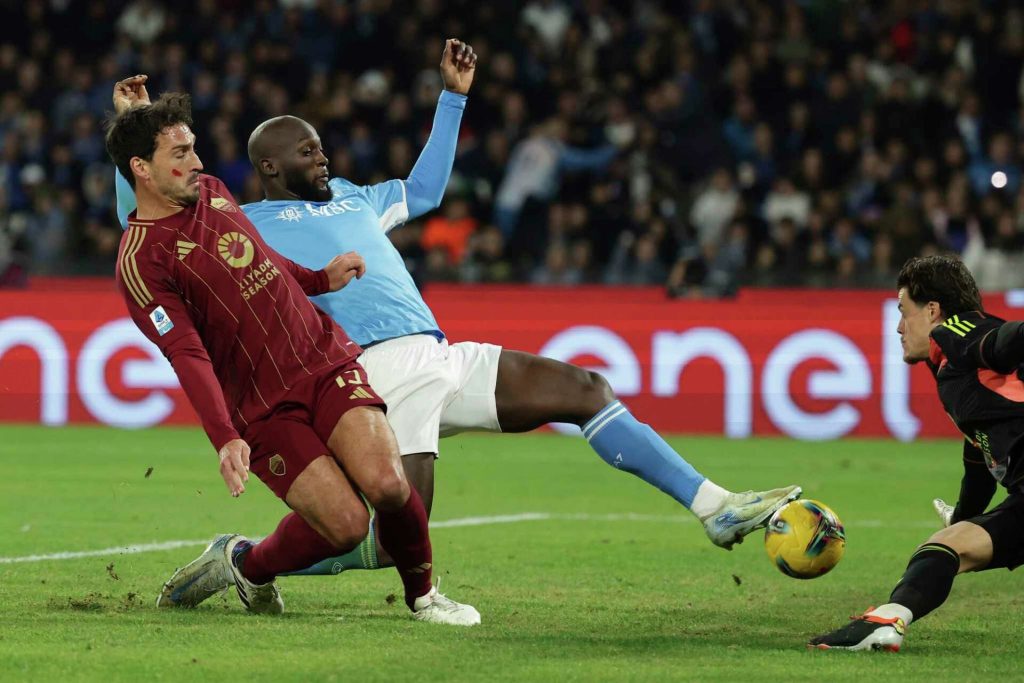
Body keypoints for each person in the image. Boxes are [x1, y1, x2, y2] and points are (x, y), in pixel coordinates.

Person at [113, 40, 800, 600]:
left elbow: (425, 189)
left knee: (586, 389)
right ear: (269, 165)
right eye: (307, 150)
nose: (322, 156)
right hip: (372, 371)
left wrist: (453, 98)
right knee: (393, 539)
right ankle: (246, 560)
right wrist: (137, 132)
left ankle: (714, 506)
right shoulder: (243, 219)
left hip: (439, 354)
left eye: (320, 146)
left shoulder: (356, 196)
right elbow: (142, 219)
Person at [105, 91, 478, 625]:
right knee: (345, 526)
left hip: (323, 361)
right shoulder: (142, 261)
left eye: (194, 148)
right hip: (261, 406)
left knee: (389, 484)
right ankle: (246, 564)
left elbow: (262, 257)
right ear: (141, 168)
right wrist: (224, 437)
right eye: (181, 154)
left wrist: (317, 279)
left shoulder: (212, 192)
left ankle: (423, 598)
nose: (198, 163)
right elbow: (185, 352)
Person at [810, 255, 1023, 651]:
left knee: (944, 549)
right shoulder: (956, 368)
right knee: (945, 545)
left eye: (903, 311)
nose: (898, 327)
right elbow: (978, 460)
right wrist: (962, 516)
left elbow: (1003, 341)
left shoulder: (958, 332)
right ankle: (888, 620)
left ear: (932, 310)